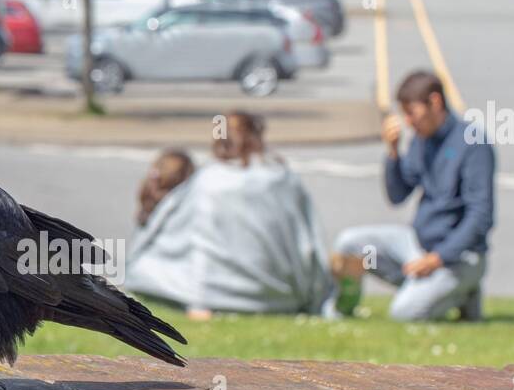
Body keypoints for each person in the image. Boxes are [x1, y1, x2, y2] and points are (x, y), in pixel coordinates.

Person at [124, 113, 334, 320]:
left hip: (211, 297)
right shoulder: (284, 179)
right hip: (283, 298)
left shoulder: (207, 181)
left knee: (149, 266)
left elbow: (168, 229)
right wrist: (316, 296)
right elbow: (309, 241)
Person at [332, 70, 495, 321]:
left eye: (412, 112)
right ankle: (344, 308)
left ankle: (461, 292)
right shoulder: (422, 140)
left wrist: (437, 259)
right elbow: (397, 195)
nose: (408, 121)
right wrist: (393, 152)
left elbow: (481, 216)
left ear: (435, 102)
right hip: (416, 244)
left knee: (404, 313)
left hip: (458, 257)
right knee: (350, 245)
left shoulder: (472, 143)